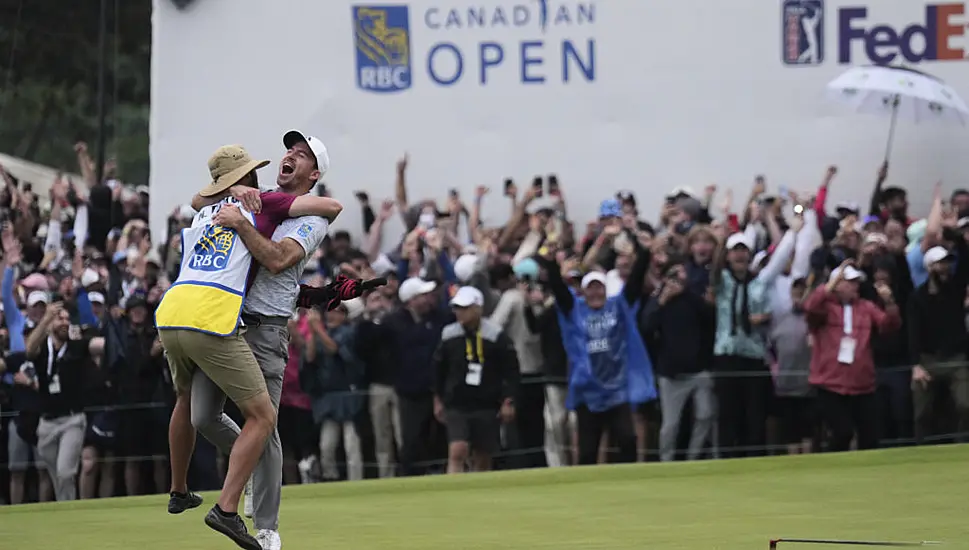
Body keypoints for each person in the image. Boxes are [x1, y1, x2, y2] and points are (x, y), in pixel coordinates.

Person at [155, 144, 343, 550]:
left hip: (266, 330)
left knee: (265, 426)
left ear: (314, 173)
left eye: (303, 154)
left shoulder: (307, 216)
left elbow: (278, 260)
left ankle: (267, 528)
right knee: (203, 416)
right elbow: (197, 199)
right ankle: (248, 471)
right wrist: (235, 193)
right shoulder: (250, 202)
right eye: (289, 149)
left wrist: (240, 218)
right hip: (225, 324)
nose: (289, 155)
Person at [536, 220, 655, 466]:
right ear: (584, 291)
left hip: (616, 389)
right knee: (588, 450)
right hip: (588, 391)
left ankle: (630, 487)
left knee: (627, 440)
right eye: (591, 289)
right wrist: (549, 257)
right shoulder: (574, 311)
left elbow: (637, 276)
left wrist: (639, 244)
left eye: (599, 288)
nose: (595, 293)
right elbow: (558, 288)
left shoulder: (619, 307)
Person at [804, 261, 900, 452]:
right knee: (842, 432)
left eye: (856, 282)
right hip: (830, 384)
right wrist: (828, 287)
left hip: (862, 384)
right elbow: (811, 307)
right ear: (836, 285)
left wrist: (889, 303)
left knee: (870, 436)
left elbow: (889, 325)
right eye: (849, 282)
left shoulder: (866, 307)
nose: (855, 286)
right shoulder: (825, 309)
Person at [434, 286, 520, 473]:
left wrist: (508, 400)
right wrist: (437, 399)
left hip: (486, 403)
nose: (460, 313)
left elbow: (511, 371)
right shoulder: (449, 334)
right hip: (456, 402)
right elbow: (439, 370)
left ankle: (479, 493)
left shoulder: (496, 336)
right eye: (457, 308)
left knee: (483, 455)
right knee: (458, 450)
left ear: (478, 309)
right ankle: (454, 490)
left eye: (465, 308)